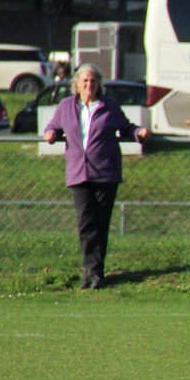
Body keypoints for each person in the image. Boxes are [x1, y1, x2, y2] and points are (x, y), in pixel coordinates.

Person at [43, 64, 149, 289]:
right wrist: (50, 133)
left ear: (99, 83)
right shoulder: (66, 106)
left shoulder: (109, 106)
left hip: (105, 172)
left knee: (100, 223)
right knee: (86, 223)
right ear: (77, 84)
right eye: (85, 81)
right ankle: (92, 272)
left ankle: (94, 274)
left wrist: (138, 133)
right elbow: (53, 126)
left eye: (93, 81)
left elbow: (126, 127)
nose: (89, 85)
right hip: (78, 172)